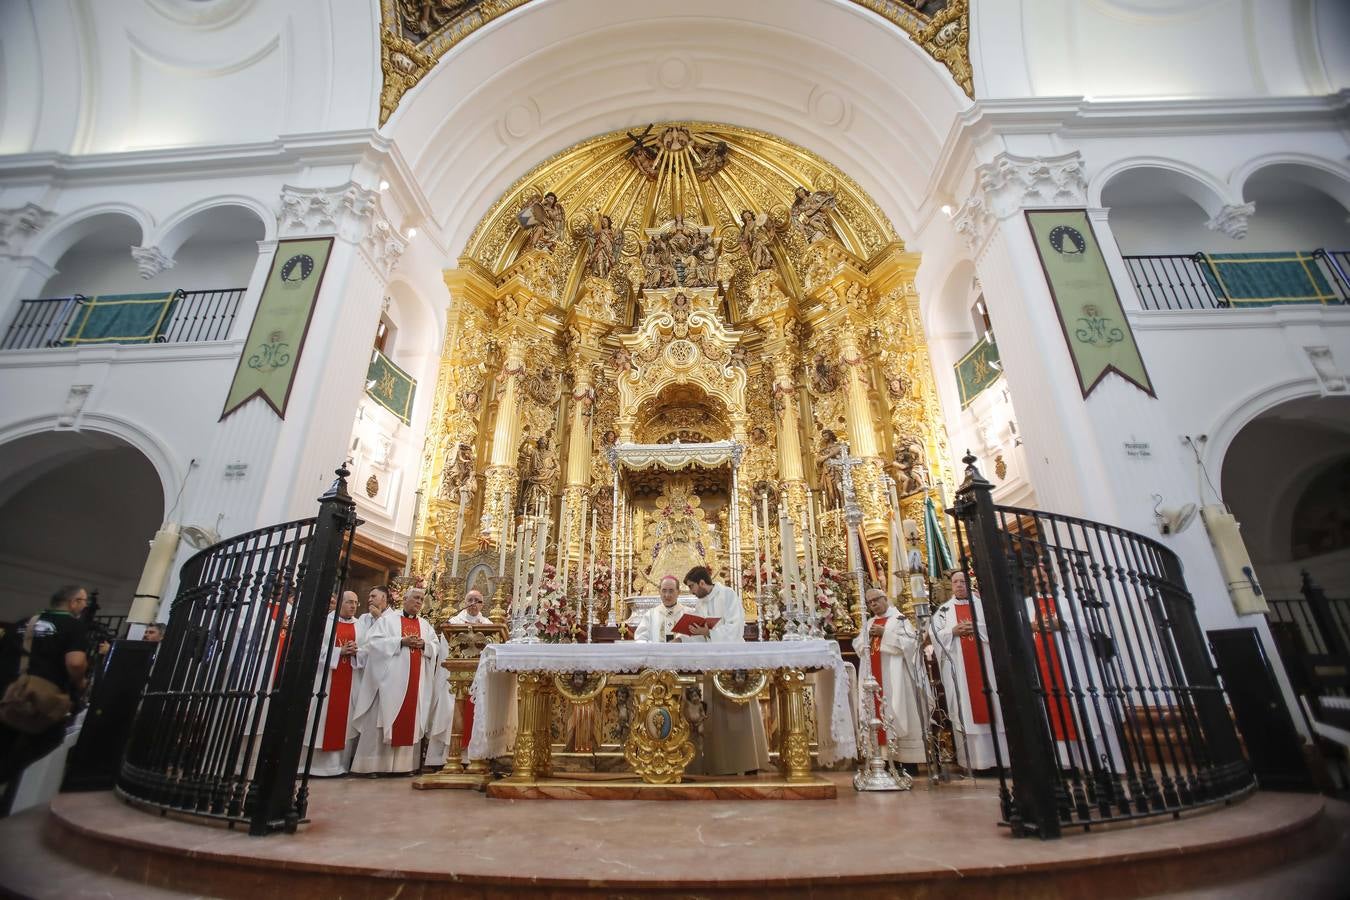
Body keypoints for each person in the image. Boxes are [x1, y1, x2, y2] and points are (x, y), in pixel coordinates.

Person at [0, 585, 89, 817]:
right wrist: (80, 684)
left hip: (9, 696)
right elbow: (76, 662)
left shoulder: (23, 623)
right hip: (43, 699)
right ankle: (11, 794)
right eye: (83, 600)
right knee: (45, 742)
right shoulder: (73, 626)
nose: (85, 604)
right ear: (73, 603)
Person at [682, 566, 771, 775]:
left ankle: (749, 762)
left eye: (693, 587)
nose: (692, 592)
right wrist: (686, 635)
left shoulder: (728, 595)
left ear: (702, 583)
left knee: (739, 712)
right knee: (716, 715)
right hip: (712, 663)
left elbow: (736, 627)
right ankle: (722, 764)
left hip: (732, 661)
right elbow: (697, 633)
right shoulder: (700, 603)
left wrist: (709, 632)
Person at [350, 588, 443, 775]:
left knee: (410, 717)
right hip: (389, 682)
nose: (418, 602)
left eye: (421, 599)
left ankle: (404, 766)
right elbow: (372, 644)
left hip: (415, 682)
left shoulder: (425, 625)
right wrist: (400, 641)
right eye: (415, 598)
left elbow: (436, 646)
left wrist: (424, 645)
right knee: (383, 718)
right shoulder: (387, 620)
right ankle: (372, 766)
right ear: (405, 599)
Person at [931, 570, 1007, 771]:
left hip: (986, 667)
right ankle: (972, 763)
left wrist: (977, 628)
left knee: (993, 706)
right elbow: (934, 634)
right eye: (955, 582)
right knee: (965, 707)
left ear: (969, 583)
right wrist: (952, 632)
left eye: (963, 581)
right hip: (961, 671)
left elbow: (999, 627)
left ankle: (1001, 761)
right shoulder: (944, 611)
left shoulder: (984, 606)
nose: (959, 585)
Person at [852, 589, 927, 765]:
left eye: (876, 600)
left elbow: (911, 644)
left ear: (885, 598)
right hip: (874, 677)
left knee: (897, 710)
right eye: (870, 603)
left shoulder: (899, 619)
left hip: (896, 677)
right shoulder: (869, 622)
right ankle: (882, 758)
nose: (873, 605)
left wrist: (885, 633)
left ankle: (905, 760)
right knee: (875, 711)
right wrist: (867, 638)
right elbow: (858, 645)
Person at [425, 590, 494, 768]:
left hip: (479, 679)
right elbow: (446, 649)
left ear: (482, 605)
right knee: (449, 711)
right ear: (464, 602)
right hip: (455, 677)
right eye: (470, 600)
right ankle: (444, 757)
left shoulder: (488, 624)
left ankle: (471, 757)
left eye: (477, 601)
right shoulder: (454, 623)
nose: (473, 603)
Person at [306, 591, 366, 776]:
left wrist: (357, 652)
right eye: (349, 602)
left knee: (345, 718)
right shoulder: (325, 623)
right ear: (339, 603)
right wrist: (339, 651)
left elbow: (368, 650)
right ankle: (313, 766)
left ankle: (339, 766)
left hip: (350, 679)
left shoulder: (361, 626)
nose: (353, 606)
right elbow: (313, 648)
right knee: (321, 718)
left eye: (356, 602)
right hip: (325, 680)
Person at [634, 576, 691, 643]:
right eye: (664, 591)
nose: (667, 595)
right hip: (656, 653)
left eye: (671, 591)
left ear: (678, 592)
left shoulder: (688, 614)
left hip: (681, 653)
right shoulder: (650, 615)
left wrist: (682, 639)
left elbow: (697, 639)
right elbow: (640, 639)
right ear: (659, 592)